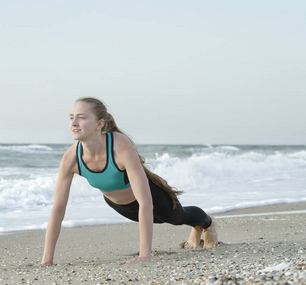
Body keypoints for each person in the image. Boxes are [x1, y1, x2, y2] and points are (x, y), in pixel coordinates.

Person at [38, 97, 218, 265]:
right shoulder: (71, 158)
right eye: (71, 118)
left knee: (177, 217)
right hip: (119, 205)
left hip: (151, 197)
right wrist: (47, 259)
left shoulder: (119, 146)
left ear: (99, 124)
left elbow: (145, 202)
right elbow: (58, 209)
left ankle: (207, 224)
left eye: (81, 118)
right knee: (160, 221)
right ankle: (196, 228)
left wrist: (144, 255)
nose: (74, 123)